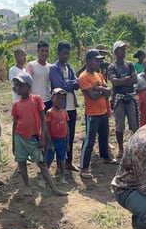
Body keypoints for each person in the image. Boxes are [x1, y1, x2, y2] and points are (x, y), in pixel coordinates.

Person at [11, 73, 67, 197]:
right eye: (16, 85)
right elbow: (15, 124)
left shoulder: (36, 99)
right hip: (19, 137)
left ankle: (54, 188)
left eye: (20, 85)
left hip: (33, 138)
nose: (17, 87)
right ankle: (27, 187)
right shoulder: (16, 104)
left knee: (42, 163)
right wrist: (14, 143)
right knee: (22, 163)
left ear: (28, 85)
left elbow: (43, 119)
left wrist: (42, 138)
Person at [79, 49, 115, 180]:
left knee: (104, 137)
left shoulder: (98, 75)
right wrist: (102, 91)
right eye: (96, 60)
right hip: (92, 114)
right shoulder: (83, 77)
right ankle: (84, 168)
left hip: (103, 112)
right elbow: (92, 96)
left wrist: (98, 88)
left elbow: (108, 91)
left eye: (100, 60)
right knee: (89, 141)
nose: (99, 63)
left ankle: (106, 157)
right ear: (89, 61)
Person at [48, 41, 81, 172]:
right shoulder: (54, 69)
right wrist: (70, 84)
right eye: (64, 53)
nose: (66, 56)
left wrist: (69, 83)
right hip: (61, 108)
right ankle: (58, 163)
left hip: (72, 107)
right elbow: (60, 86)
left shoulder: (69, 68)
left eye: (68, 53)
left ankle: (68, 162)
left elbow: (77, 84)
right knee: (59, 136)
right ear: (58, 53)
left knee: (70, 136)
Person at [108, 41, 139, 159]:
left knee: (134, 124)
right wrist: (127, 78)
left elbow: (135, 80)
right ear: (116, 51)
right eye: (121, 49)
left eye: (124, 49)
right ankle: (121, 148)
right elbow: (114, 82)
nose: (124, 51)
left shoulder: (130, 64)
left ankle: (135, 147)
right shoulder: (112, 67)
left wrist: (121, 81)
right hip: (119, 98)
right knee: (119, 125)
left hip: (130, 96)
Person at [45, 89, 71, 184]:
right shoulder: (49, 112)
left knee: (61, 160)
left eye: (62, 99)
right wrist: (50, 143)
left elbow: (67, 127)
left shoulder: (64, 112)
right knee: (49, 159)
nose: (60, 100)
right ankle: (44, 178)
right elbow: (47, 129)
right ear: (52, 98)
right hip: (53, 140)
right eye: (58, 98)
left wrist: (67, 142)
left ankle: (62, 177)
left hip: (62, 140)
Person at [26, 40, 52, 105]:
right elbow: (27, 84)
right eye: (42, 51)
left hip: (48, 101)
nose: (44, 53)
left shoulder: (51, 67)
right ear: (37, 51)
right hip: (35, 102)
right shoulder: (31, 65)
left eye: (46, 51)